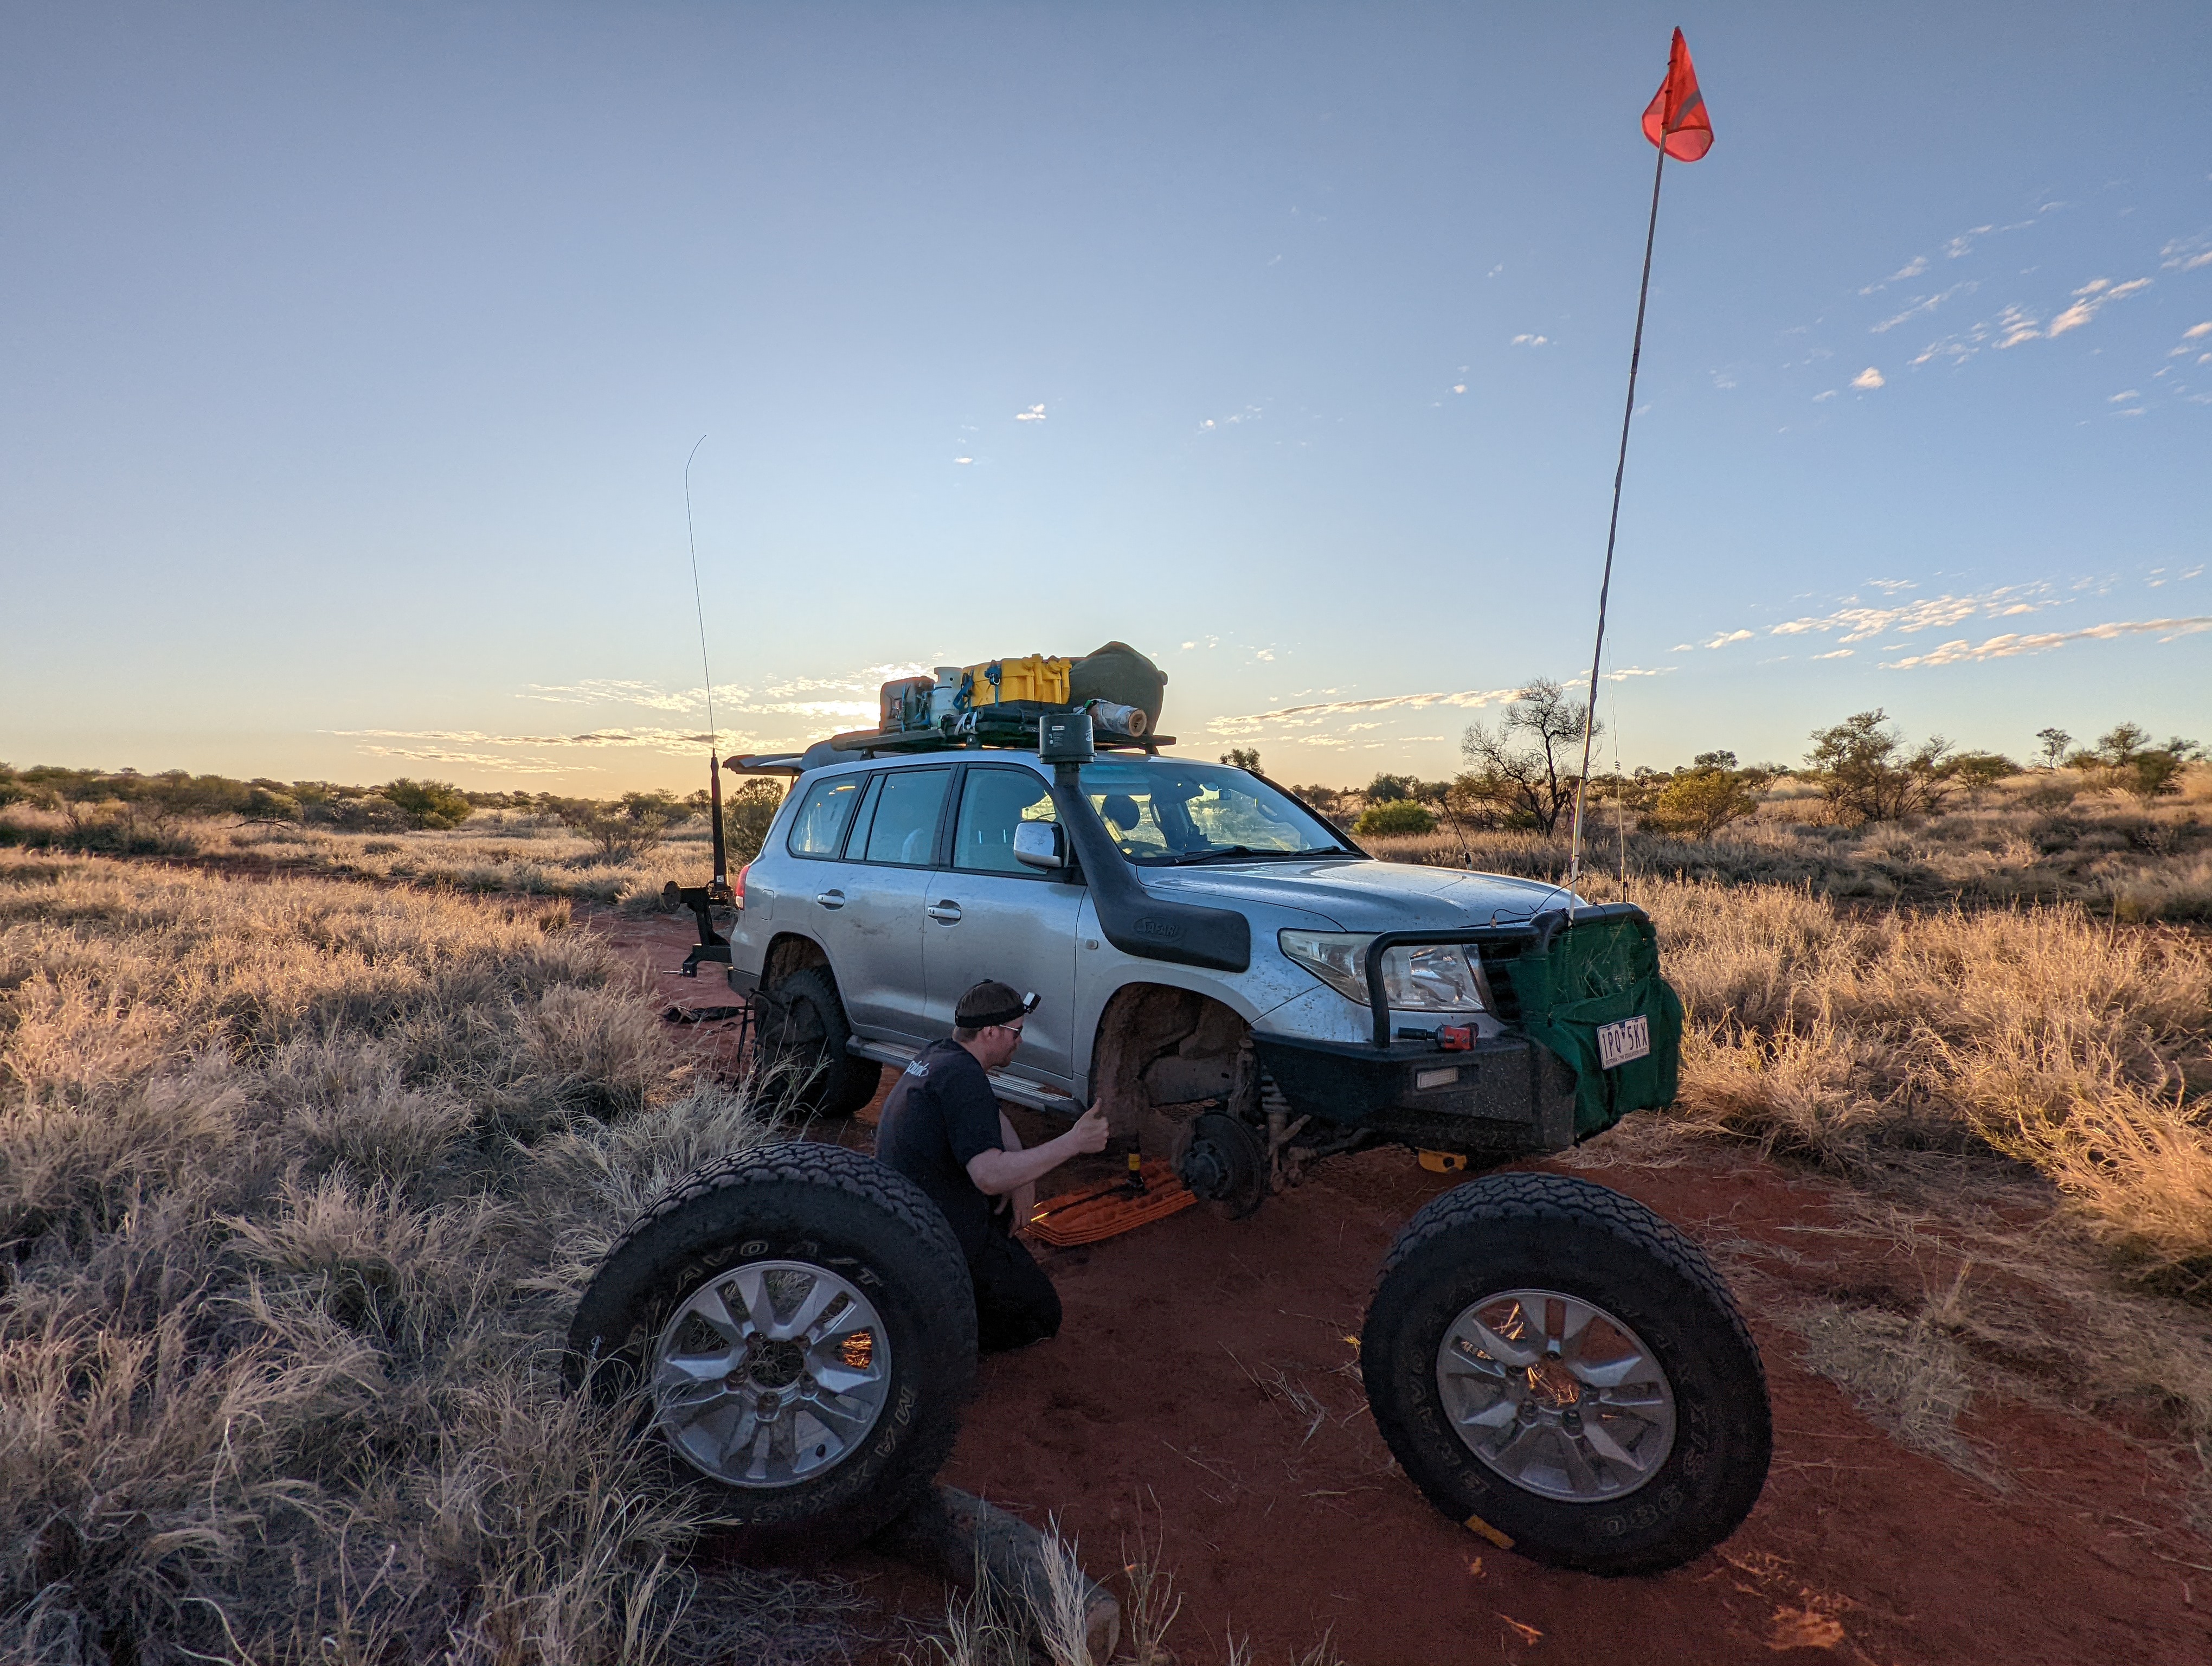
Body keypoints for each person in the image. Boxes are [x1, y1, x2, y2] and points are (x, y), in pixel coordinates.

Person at [873, 979, 1110, 1351]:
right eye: (1016, 1033)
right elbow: (987, 1177)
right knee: (1041, 1317)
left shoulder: (940, 1056)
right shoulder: (964, 1077)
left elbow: (991, 1117)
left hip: (906, 1223)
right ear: (989, 1032)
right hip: (937, 1240)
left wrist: (1023, 1182)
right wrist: (1074, 1142)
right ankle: (946, 1338)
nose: (1020, 1041)